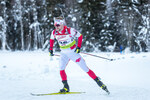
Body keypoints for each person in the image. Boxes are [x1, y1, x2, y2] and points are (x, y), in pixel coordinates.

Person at [49, 16, 110, 94]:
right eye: (55, 25)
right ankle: (66, 87)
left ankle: (100, 83)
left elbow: (80, 36)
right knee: (61, 69)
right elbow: (51, 39)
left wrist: (78, 47)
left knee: (85, 69)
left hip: (73, 53)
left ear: (62, 24)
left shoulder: (70, 30)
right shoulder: (54, 32)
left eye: (58, 25)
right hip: (63, 53)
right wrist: (50, 49)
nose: (56, 27)